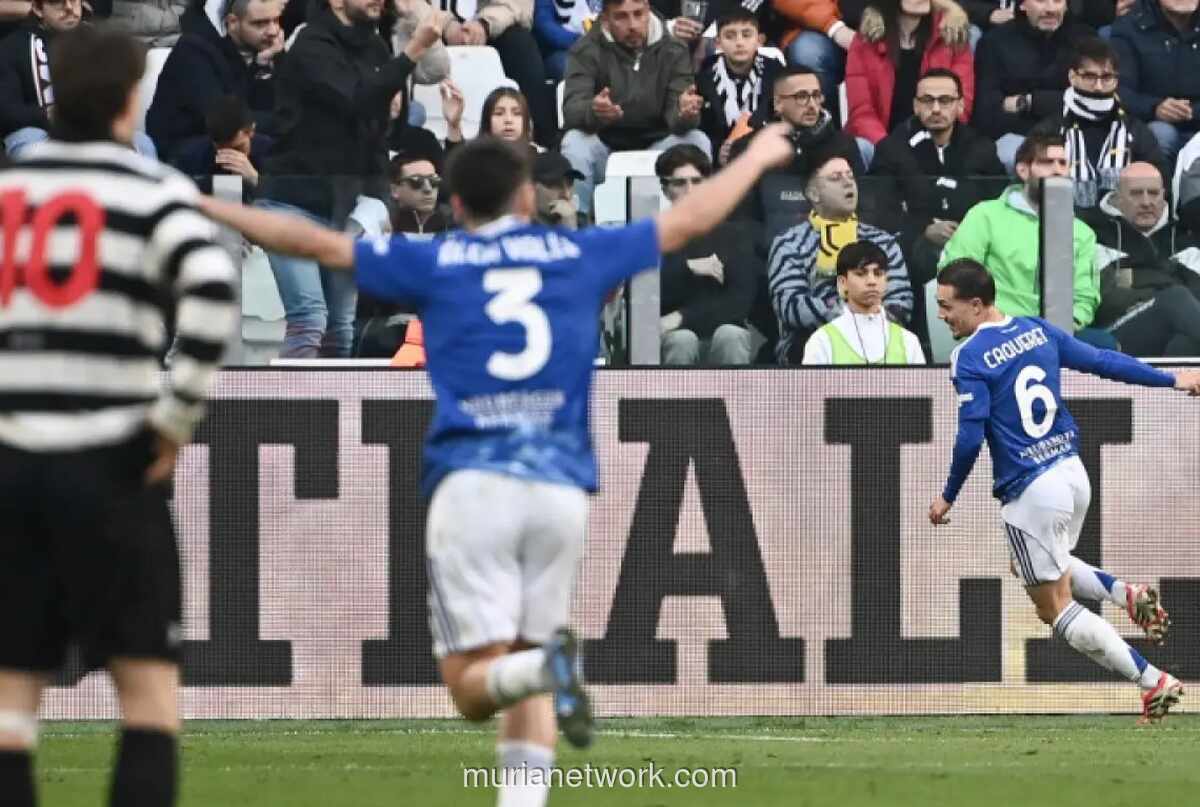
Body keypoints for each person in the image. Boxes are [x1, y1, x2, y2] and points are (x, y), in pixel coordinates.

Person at [197, 125, 795, 807]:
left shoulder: (438, 260)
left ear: (454, 205)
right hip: (559, 486)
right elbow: (690, 217)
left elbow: (317, 243)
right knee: (524, 657)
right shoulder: (576, 251)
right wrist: (758, 158)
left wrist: (218, 206)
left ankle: (546, 664)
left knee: (473, 685)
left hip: (473, 479)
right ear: (525, 197)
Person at [0, 26, 237, 807]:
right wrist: (172, 422)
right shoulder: (149, 189)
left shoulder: (9, 194)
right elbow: (209, 301)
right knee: (147, 698)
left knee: (9, 706)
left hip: (11, 465)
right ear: (133, 97)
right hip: (110, 464)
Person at [930, 258, 1197, 723]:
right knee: (1033, 562)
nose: (941, 315)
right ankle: (1124, 594)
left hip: (1032, 489)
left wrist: (948, 494)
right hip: (1073, 474)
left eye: (946, 306)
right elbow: (1103, 362)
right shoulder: (1037, 330)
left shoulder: (969, 357)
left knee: (1054, 608)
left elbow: (970, 435)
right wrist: (1173, 378)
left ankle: (1152, 681)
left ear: (975, 305)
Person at [257, 1, 449, 358]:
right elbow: (357, 101)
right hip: (293, 201)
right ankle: (293, 412)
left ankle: (337, 414)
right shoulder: (312, 44)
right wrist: (412, 52)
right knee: (310, 318)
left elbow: (382, 132)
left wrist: (377, 204)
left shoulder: (375, 47)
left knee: (340, 328)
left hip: (345, 207)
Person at [939, 132, 1103, 341]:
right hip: (994, 330)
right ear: (1023, 170)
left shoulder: (1081, 233)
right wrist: (995, 322)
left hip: (1055, 335)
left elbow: (1085, 297)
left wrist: (1064, 326)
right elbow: (957, 275)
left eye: (1063, 163)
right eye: (1046, 162)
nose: (1057, 170)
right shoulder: (985, 215)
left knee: (1104, 345)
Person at [560, 0, 711, 218]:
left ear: (648, 11)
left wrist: (683, 112)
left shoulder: (674, 49)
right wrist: (594, 111)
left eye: (638, 14)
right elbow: (572, 109)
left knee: (697, 140)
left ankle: (697, 222)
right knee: (575, 142)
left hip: (660, 148)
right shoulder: (585, 49)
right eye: (621, 17)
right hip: (606, 147)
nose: (632, 24)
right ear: (605, 19)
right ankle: (577, 223)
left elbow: (676, 115)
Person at [768, 154, 914, 364]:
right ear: (814, 194)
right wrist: (848, 314)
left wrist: (866, 323)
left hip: (878, 334)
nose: (848, 182)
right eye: (836, 178)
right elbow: (790, 307)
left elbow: (901, 303)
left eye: (850, 176)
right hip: (810, 342)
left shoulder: (882, 241)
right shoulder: (789, 243)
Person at [0, 0, 156, 157]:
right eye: (58, 2)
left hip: (97, 128)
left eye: (74, 1)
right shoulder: (12, 48)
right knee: (28, 138)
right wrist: (49, 114)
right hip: (39, 130)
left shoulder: (100, 42)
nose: (69, 8)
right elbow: (6, 111)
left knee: (143, 142)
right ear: (38, 9)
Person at [1029, 36, 1165, 210]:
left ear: (1116, 80)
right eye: (1090, 77)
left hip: (1123, 223)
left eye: (1107, 77)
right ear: (1072, 77)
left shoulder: (1134, 130)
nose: (1099, 86)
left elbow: (1160, 183)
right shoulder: (1050, 130)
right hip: (1064, 220)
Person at [1085, 161, 1200, 356]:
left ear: (1164, 196)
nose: (1147, 202)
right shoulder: (1095, 235)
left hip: (1174, 332)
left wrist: (1134, 278)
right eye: (1136, 193)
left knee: (1185, 345)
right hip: (1117, 333)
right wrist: (1164, 294)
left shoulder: (1184, 240)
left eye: (1153, 193)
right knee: (1176, 297)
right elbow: (1106, 300)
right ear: (1118, 198)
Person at [656, 144, 757, 365]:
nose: (690, 190)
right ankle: (675, 401)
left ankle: (737, 400)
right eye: (680, 183)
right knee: (682, 341)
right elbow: (650, 296)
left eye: (697, 181)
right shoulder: (655, 238)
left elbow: (740, 303)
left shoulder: (734, 234)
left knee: (730, 336)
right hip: (673, 338)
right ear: (665, 190)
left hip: (719, 333)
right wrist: (687, 268)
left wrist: (681, 316)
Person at [145, 0, 283, 162]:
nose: (273, 31)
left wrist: (263, 67)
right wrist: (286, 122)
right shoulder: (193, 51)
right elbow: (225, 122)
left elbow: (258, 107)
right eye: (260, 23)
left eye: (276, 21)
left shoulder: (264, 52)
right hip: (183, 152)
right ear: (232, 22)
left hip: (228, 140)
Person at [844, 0, 972, 166]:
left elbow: (961, 104)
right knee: (861, 147)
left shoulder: (951, 34)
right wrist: (891, 150)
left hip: (936, 142)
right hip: (881, 143)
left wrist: (925, 147)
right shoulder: (866, 39)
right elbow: (861, 111)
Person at [973, 0, 1094, 171]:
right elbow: (987, 114)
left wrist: (1029, 101)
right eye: (1041, 1)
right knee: (1007, 154)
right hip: (1016, 136)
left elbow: (1092, 101)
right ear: (1022, 5)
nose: (1051, 9)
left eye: (1058, 1)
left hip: (1073, 134)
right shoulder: (993, 43)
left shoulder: (1086, 40)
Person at [802, 240, 925, 363]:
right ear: (842, 282)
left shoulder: (908, 341)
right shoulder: (821, 341)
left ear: (886, 280)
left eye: (878, 273)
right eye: (861, 274)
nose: (872, 281)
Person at [1110, 0, 1200, 162]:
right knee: (1160, 135)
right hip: (1151, 122)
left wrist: (1192, 111)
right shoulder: (1129, 27)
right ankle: (1160, 187)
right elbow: (1119, 89)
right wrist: (1155, 108)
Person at [695, 8, 785, 164]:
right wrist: (717, 151)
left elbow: (781, 119)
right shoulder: (705, 77)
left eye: (746, 35)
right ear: (718, 43)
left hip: (766, 153)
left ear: (759, 40)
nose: (739, 42)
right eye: (730, 36)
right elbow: (704, 127)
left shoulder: (776, 73)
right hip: (720, 159)